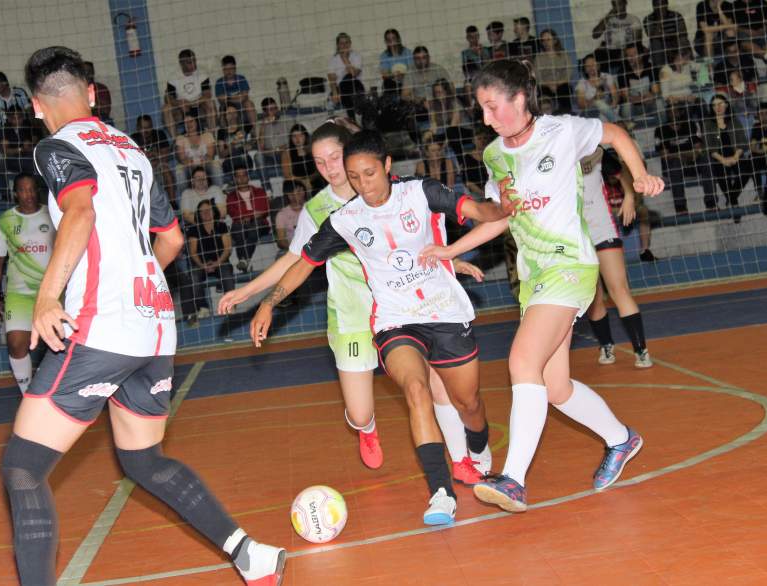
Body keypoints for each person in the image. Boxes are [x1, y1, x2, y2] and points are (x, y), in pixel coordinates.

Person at [0, 45, 284, 586]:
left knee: (22, 468)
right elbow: (173, 239)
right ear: (91, 93)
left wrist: (47, 297)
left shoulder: (56, 148)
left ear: (37, 106)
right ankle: (252, 556)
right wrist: (133, 283)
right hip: (154, 326)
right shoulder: (131, 149)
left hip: (100, 326)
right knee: (144, 462)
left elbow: (80, 212)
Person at [423, 60, 661, 512]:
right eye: (482, 110)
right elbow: (501, 217)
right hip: (534, 279)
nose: (487, 118)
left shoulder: (562, 131)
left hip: (570, 267)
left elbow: (614, 134)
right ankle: (621, 439)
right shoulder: (495, 156)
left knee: (522, 360)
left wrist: (639, 174)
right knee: (554, 386)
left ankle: (512, 478)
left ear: (519, 99)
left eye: (493, 107)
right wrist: (452, 251)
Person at [249, 129, 509, 525]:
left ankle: (478, 448)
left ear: (387, 166)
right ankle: (441, 492)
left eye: (369, 174)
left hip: (444, 312)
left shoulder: (421, 192)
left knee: (468, 404)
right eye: (354, 177)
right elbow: (304, 261)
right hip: (394, 321)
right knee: (416, 389)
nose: (362, 185)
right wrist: (269, 302)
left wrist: (499, 207)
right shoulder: (346, 219)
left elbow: (476, 210)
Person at [580, 148, 653, 367]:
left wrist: (629, 196)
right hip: (574, 235)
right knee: (592, 297)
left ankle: (641, 350)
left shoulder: (595, 151)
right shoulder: (549, 156)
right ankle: (606, 345)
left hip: (602, 228)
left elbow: (623, 174)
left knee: (619, 289)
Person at [0, 174, 54, 392]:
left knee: (63, 345)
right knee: (16, 343)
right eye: (23, 190)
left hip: (53, 292)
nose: (28, 195)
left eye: (32, 189)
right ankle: (29, 395)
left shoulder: (53, 214)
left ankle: (63, 392)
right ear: (15, 193)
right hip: (20, 294)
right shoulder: (6, 221)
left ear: (38, 191)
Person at [184, 199, 235, 325]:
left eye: (208, 210)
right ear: (198, 215)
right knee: (193, 275)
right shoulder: (193, 229)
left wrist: (217, 263)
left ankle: (230, 306)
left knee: (227, 272)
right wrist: (202, 265)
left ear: (214, 211)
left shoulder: (221, 226)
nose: (206, 213)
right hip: (201, 264)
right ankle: (203, 307)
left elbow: (228, 248)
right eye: (202, 211)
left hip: (220, 262)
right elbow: (193, 252)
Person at [655, 102, 711, 214]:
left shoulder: (691, 125)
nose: (672, 114)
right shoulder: (660, 130)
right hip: (673, 168)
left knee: (706, 159)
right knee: (675, 163)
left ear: (681, 112)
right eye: (669, 112)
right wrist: (683, 155)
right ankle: (680, 207)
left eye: (675, 111)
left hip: (692, 163)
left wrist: (682, 155)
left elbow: (698, 149)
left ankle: (711, 203)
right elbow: (665, 155)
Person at [702, 93, 752, 209]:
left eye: (720, 104)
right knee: (720, 170)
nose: (717, 107)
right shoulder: (708, 124)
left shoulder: (734, 121)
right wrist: (723, 159)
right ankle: (733, 203)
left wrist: (735, 157)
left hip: (735, 154)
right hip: (718, 156)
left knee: (747, 168)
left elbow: (743, 141)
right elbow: (709, 146)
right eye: (714, 105)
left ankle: (731, 199)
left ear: (727, 105)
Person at [226, 163, 270, 273]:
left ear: (248, 176)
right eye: (238, 176)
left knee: (253, 227)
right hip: (240, 225)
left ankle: (243, 258)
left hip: (259, 223)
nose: (241, 178)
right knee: (237, 227)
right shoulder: (231, 196)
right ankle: (245, 260)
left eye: (244, 175)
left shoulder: (259, 191)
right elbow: (233, 213)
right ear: (235, 178)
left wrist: (247, 216)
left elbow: (264, 209)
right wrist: (252, 214)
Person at [163, 49, 216, 136]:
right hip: (181, 107)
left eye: (194, 60)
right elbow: (168, 98)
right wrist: (179, 103)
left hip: (199, 104)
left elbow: (207, 95)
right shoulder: (173, 77)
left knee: (210, 103)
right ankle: (176, 140)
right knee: (166, 109)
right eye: (189, 62)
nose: (194, 64)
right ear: (182, 64)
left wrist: (192, 103)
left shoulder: (203, 73)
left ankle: (212, 137)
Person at [592, 0, 643, 75]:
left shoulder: (633, 19)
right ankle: (605, 79)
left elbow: (638, 40)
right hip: (610, 50)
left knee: (635, 52)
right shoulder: (607, 19)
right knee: (597, 54)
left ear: (625, 3)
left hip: (627, 49)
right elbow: (595, 35)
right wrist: (609, 15)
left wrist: (626, 51)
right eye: (614, 4)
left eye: (619, 3)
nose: (617, 7)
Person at [174, 112, 219, 193]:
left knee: (216, 166)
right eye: (186, 122)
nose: (188, 124)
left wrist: (195, 160)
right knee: (179, 170)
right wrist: (197, 160)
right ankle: (185, 195)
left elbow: (210, 156)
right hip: (189, 166)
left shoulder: (207, 135)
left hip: (206, 165)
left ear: (197, 122)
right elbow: (182, 159)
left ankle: (219, 191)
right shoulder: (180, 138)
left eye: (191, 121)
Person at [535, 29, 574, 115]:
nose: (545, 43)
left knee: (564, 90)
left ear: (555, 40)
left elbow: (569, 73)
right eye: (543, 40)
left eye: (548, 39)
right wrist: (549, 84)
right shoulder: (539, 58)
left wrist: (557, 83)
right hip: (545, 86)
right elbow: (537, 77)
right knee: (542, 93)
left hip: (562, 84)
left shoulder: (564, 55)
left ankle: (567, 114)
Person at [644, 0, 691, 70]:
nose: (660, 7)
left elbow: (682, 33)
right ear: (653, 6)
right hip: (660, 46)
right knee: (655, 42)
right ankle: (660, 70)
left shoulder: (676, 15)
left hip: (675, 43)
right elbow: (652, 36)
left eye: (662, 4)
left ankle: (681, 62)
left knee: (683, 40)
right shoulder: (648, 19)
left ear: (666, 4)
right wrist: (660, 20)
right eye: (657, 5)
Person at [328, 33, 365, 119]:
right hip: (341, 89)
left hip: (356, 86)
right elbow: (331, 79)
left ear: (350, 44)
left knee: (349, 77)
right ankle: (352, 117)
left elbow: (354, 74)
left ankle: (353, 117)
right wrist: (334, 93)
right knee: (345, 83)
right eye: (341, 43)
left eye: (346, 42)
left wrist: (344, 58)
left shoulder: (356, 56)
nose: (344, 45)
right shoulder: (333, 60)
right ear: (338, 45)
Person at [619, 43, 660, 121]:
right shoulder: (623, 71)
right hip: (634, 107)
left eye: (633, 54)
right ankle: (627, 131)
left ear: (641, 55)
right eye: (628, 55)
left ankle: (663, 128)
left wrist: (650, 96)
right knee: (626, 106)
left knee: (659, 102)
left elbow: (656, 91)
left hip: (650, 104)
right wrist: (643, 98)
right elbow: (626, 97)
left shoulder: (651, 67)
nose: (630, 58)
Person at [576, 54, 621, 122]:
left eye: (593, 65)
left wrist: (612, 106)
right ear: (584, 69)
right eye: (588, 66)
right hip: (591, 112)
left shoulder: (607, 76)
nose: (591, 68)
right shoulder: (582, 83)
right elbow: (581, 105)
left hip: (608, 109)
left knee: (603, 115)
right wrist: (594, 99)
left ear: (598, 65)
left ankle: (617, 122)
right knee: (598, 102)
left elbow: (615, 95)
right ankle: (621, 123)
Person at [749, 101, 767, 216]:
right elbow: (753, 147)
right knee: (752, 158)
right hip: (762, 156)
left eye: (766, 113)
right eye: (761, 114)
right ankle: (759, 189)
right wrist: (762, 150)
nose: (763, 116)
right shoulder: (756, 127)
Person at [214, 55, 256, 126]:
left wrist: (228, 98)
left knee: (249, 104)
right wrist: (237, 97)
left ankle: (255, 130)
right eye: (226, 69)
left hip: (241, 106)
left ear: (235, 68)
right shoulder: (219, 82)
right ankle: (225, 134)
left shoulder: (241, 78)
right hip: (227, 107)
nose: (229, 71)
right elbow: (221, 99)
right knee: (225, 110)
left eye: (231, 68)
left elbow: (244, 97)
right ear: (223, 70)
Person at [280, 124, 320, 192]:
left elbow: (318, 171)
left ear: (305, 136)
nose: (297, 139)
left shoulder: (313, 150)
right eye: (294, 136)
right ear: (291, 138)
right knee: (290, 186)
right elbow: (287, 175)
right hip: (296, 181)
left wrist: (309, 180)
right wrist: (303, 181)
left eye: (300, 135)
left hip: (312, 180)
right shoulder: (286, 153)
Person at [274, 180, 306, 251]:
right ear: (289, 195)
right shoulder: (282, 214)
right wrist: (293, 249)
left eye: (302, 190)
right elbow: (281, 240)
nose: (301, 193)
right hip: (292, 249)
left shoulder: (312, 208)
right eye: (297, 191)